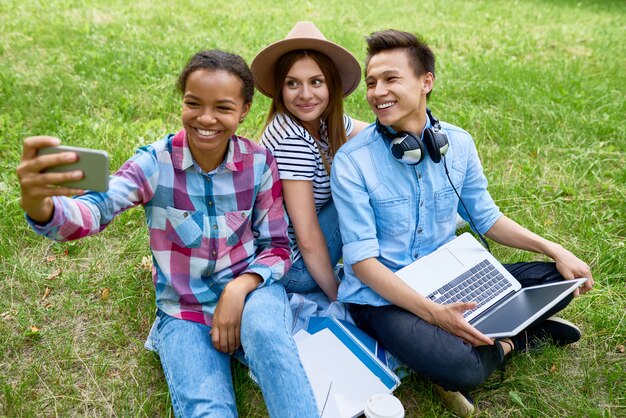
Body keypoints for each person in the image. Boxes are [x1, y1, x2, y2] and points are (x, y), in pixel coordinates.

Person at [16, 50, 319, 418]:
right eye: (194, 103)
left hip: (253, 293)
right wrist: (41, 205)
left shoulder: (258, 162)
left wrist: (240, 288)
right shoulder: (154, 163)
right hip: (184, 311)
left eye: (223, 108)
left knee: (271, 341)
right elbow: (95, 209)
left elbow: (276, 247)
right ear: (183, 103)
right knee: (208, 410)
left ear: (244, 110)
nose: (206, 118)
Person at [330, 29, 594, 417]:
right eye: (371, 82)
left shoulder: (459, 144)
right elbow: (363, 264)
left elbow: (487, 219)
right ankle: (516, 340)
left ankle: (493, 331)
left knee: (563, 282)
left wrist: (555, 250)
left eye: (390, 79)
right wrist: (433, 314)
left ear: (426, 82)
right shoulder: (353, 161)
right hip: (382, 297)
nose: (376, 92)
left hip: (446, 277)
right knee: (460, 368)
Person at [251, 21, 368, 301]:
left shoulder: (322, 121)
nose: (305, 95)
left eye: (316, 82)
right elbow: (306, 235)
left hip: (300, 256)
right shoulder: (293, 140)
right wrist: (338, 295)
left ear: (331, 85)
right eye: (293, 83)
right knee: (363, 190)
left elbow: (376, 135)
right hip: (294, 267)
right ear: (281, 88)